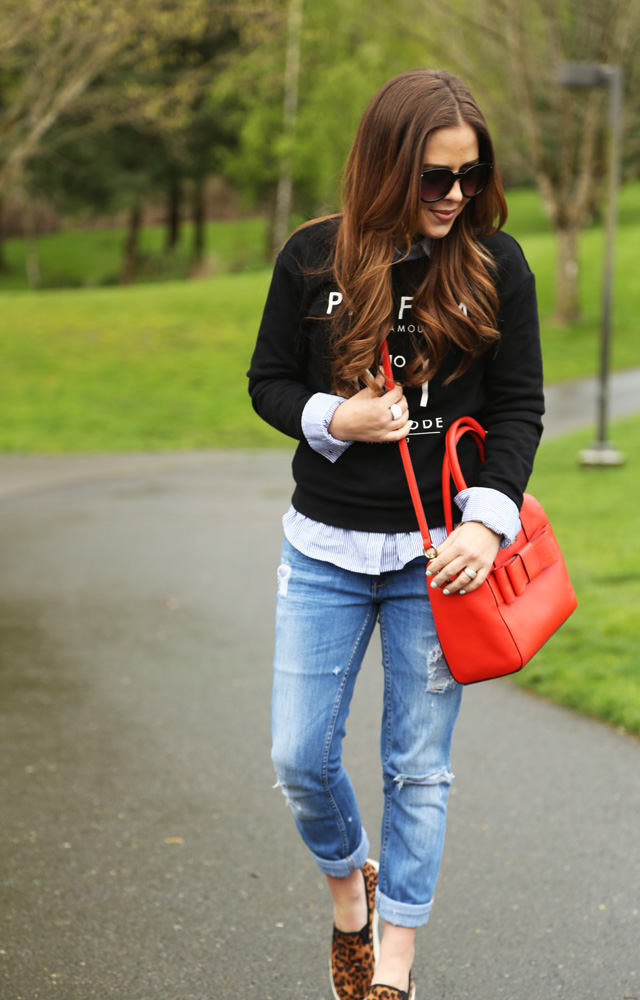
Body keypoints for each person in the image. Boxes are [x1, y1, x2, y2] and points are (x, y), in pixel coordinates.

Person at [247, 68, 544, 1000]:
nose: (455, 196)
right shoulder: (310, 258)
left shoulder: (497, 265)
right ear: (386, 168)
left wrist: (489, 524)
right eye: (433, 178)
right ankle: (351, 888)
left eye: (470, 174)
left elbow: (519, 411)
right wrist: (337, 419)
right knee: (299, 758)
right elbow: (267, 383)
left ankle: (393, 969)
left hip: (440, 564)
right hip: (325, 547)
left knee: (418, 767)